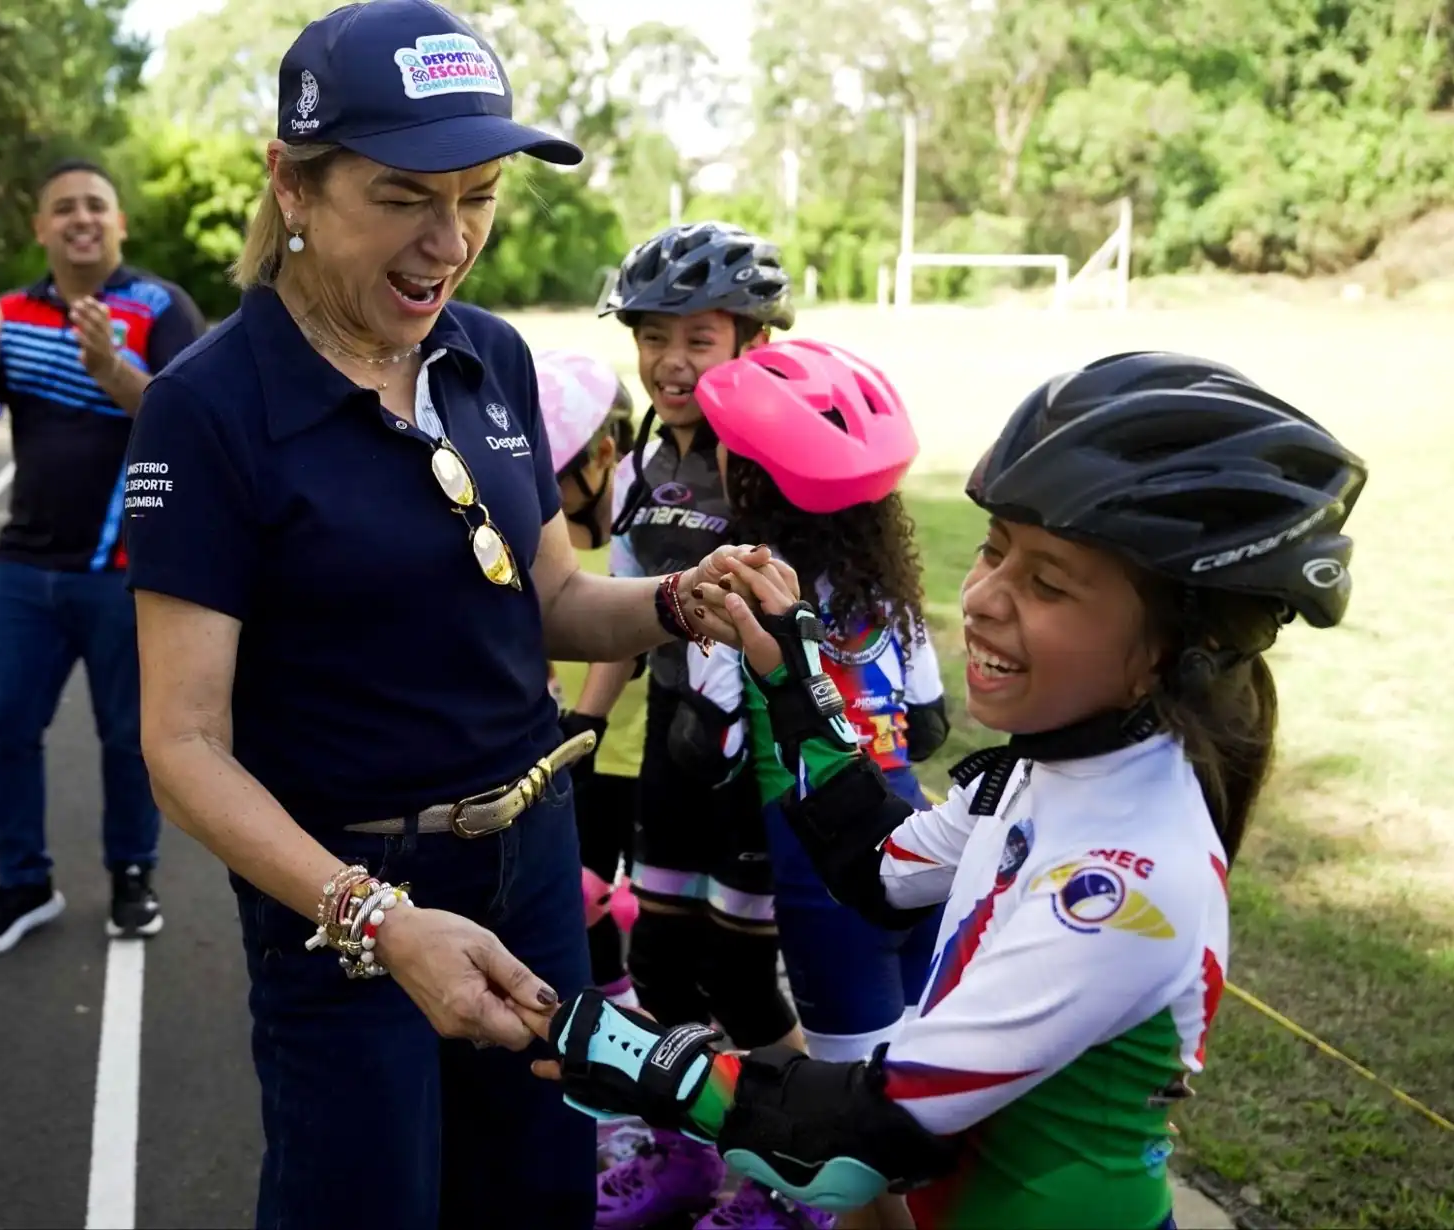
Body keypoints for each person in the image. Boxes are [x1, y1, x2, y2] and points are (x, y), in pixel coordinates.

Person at [116, 4, 789, 1227]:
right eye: (404, 197)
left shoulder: (489, 355)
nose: (451, 240)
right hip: (346, 897)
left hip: (533, 865)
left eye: (477, 197)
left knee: (535, 1197)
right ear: (293, 185)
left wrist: (678, 600)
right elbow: (184, 745)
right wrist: (375, 920)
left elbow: (551, 601)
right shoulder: (205, 408)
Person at [536, 351, 1370, 1230]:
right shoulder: (1043, 771)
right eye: (994, 550)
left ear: (1177, 649)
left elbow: (865, 1131)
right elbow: (877, 864)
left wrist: (652, 1062)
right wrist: (792, 675)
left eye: (1046, 583)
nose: (980, 599)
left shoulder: (1129, 880)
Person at [691, 337, 953, 1230]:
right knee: (924, 1109)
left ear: (748, 478)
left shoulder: (740, 591)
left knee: (859, 1143)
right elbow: (929, 723)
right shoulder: (890, 589)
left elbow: (710, 738)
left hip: (820, 865)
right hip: (917, 841)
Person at [593, 219, 810, 1229]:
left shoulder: (771, 469)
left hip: (753, 759)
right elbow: (619, 618)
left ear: (751, 343)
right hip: (672, 746)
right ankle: (682, 1157)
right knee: (658, 964)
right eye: (653, 338)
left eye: (697, 339)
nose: (670, 362)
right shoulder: (641, 466)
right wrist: (579, 730)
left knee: (742, 979)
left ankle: (795, 1178)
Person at [0, 158, 206, 957]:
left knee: (130, 738)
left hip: (127, 572)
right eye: (63, 208)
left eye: (95, 205)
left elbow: (190, 424)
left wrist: (110, 369)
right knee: (2, 726)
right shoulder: (9, 312)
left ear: (119, 222)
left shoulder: (160, 306)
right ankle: (23, 882)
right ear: (41, 227)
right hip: (23, 570)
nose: (80, 218)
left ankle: (132, 872)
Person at [533, 348, 648, 1011]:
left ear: (605, 455)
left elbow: (623, 641)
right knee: (585, 918)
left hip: (636, 759)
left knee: (657, 937)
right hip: (575, 757)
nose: (539, 499)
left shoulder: (637, 535)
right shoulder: (540, 543)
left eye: (552, 480)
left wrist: (586, 720)